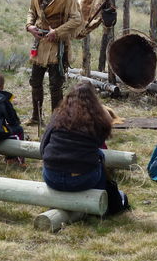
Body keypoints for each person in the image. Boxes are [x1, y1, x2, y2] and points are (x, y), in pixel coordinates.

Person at [40, 82, 129, 214]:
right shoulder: (98, 119)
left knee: (98, 156)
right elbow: (99, 144)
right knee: (100, 156)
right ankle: (102, 199)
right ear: (94, 99)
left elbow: (43, 147)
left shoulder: (58, 116)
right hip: (82, 179)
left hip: (52, 177)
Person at [25, 0, 82, 125]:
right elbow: (31, 11)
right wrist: (29, 26)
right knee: (35, 82)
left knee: (55, 86)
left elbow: (76, 19)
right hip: (40, 44)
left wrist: (57, 32)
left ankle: (56, 121)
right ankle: (37, 117)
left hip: (57, 46)